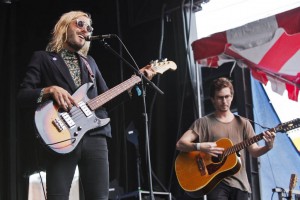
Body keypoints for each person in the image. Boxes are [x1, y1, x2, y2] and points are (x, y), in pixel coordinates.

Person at [18, 10, 155, 200]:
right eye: (80, 24)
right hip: (61, 134)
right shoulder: (43, 58)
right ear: (64, 26)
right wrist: (49, 90)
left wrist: (135, 84)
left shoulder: (90, 62)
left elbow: (108, 99)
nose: (86, 30)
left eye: (89, 27)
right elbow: (23, 96)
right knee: (57, 196)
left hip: (95, 137)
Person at [176, 77, 276, 200]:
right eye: (220, 97)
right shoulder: (203, 123)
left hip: (241, 184)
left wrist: (268, 146)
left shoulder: (243, 123)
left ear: (232, 97)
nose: (224, 101)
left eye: (227, 96)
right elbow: (180, 144)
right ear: (212, 99)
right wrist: (200, 146)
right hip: (217, 184)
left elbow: (254, 152)